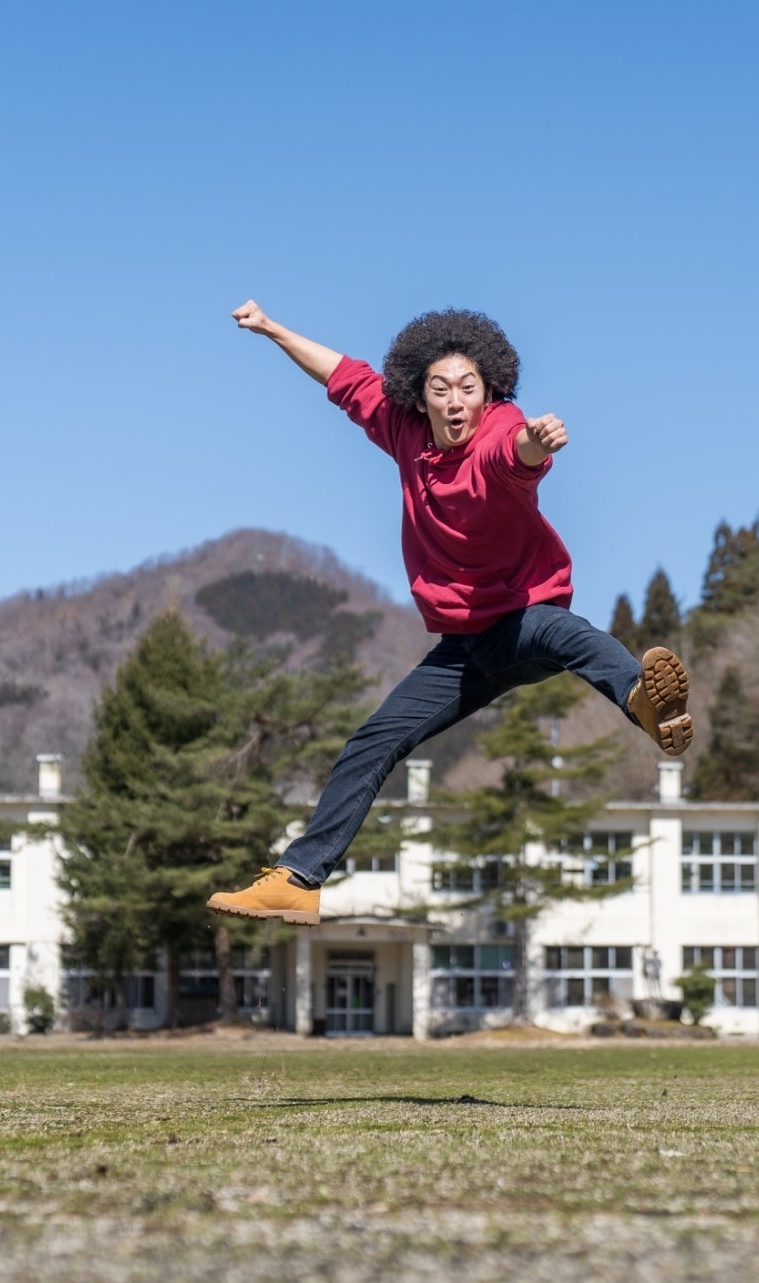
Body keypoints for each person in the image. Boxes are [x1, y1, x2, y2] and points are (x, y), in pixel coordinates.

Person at [207, 302, 691, 927]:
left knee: (568, 634)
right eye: (441, 389)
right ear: (421, 395)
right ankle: (298, 880)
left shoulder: (500, 431)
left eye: (469, 388)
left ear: (490, 392)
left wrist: (534, 445)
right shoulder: (403, 430)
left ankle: (641, 702)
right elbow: (340, 375)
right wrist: (273, 329)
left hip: (523, 616)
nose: (456, 401)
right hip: (463, 647)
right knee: (373, 740)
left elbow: (513, 453)